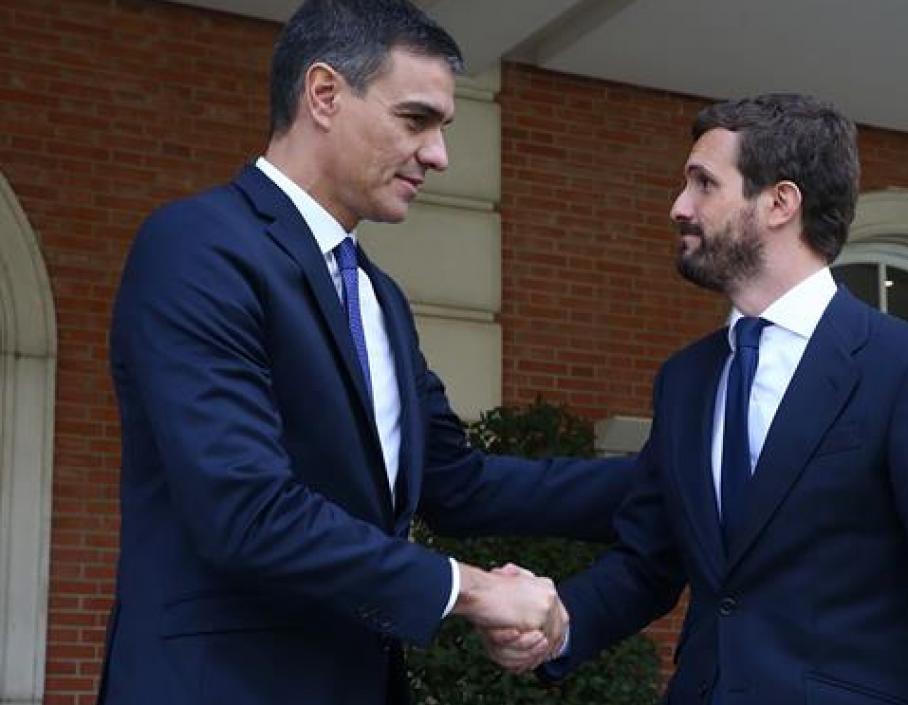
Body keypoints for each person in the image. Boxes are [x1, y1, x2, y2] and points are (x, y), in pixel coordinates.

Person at [99, 1, 630, 703]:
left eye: (443, 129)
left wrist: (684, 471)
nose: (438, 154)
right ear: (324, 95)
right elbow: (246, 510)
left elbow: (458, 482)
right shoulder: (198, 247)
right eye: (416, 120)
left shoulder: (378, 296)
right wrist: (467, 589)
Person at [486, 94, 908, 704]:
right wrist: (555, 627)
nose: (678, 207)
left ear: (779, 202)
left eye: (704, 184)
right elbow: (648, 563)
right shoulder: (686, 381)